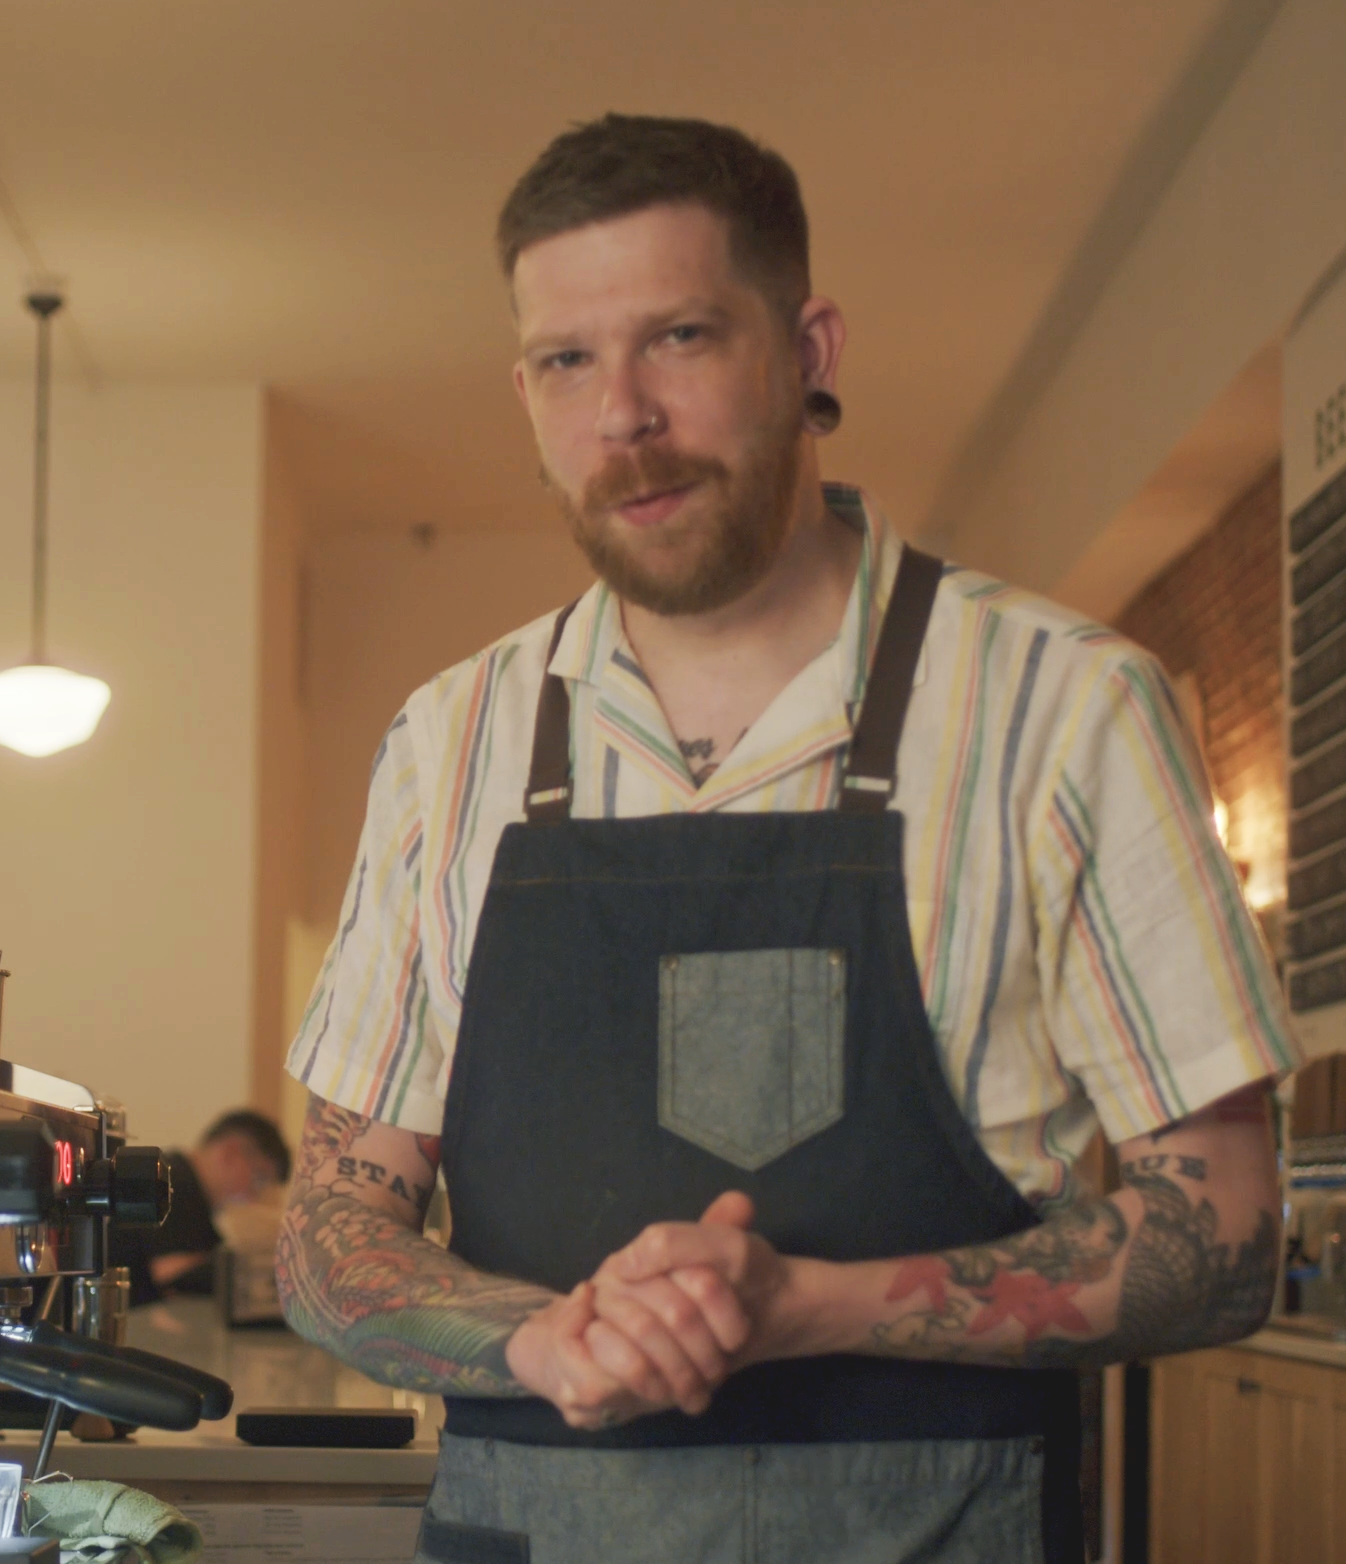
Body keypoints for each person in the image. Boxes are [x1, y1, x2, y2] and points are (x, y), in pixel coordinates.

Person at [276, 115, 1297, 1563]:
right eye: (568, 360)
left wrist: (802, 1307)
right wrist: (553, 1341)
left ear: (810, 348)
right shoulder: (452, 746)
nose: (622, 414)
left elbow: (1230, 1240)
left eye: (680, 336)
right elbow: (329, 1234)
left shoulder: (1062, 709)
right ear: (525, 390)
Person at [114, 1109, 290, 1306]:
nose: (255, 1195)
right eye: (259, 1178)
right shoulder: (175, 1184)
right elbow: (172, 1274)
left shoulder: (180, 1180)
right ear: (230, 1153)